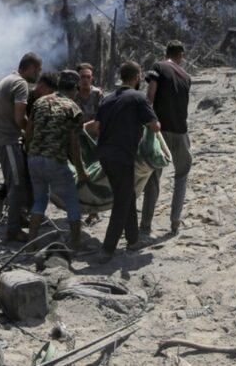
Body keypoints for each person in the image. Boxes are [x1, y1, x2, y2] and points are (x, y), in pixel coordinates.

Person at [93, 61, 161, 263]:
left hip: (104, 155)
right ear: (137, 77)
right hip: (122, 156)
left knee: (127, 194)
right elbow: (154, 126)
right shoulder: (138, 97)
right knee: (122, 201)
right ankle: (107, 249)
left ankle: (133, 240)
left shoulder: (106, 99)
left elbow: (96, 128)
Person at [25, 70, 88, 251]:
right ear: (75, 89)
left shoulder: (40, 102)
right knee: (72, 201)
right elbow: (74, 145)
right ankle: (76, 243)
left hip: (34, 159)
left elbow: (29, 131)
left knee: (39, 201)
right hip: (55, 161)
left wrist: (30, 152)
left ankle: (31, 243)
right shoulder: (73, 109)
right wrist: (81, 171)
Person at [0, 52, 42, 242]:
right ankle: (13, 230)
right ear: (31, 68)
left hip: (1, 138)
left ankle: (18, 217)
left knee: (18, 180)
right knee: (17, 184)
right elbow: (19, 118)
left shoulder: (9, 79)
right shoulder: (20, 84)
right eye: (38, 70)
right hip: (6, 140)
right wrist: (31, 133)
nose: (38, 74)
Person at [142, 41, 193, 237]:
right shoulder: (186, 76)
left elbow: (150, 96)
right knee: (182, 175)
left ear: (167, 53)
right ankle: (175, 222)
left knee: (154, 177)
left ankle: (146, 225)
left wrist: (145, 121)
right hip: (181, 131)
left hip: (160, 130)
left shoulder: (158, 67)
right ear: (181, 55)